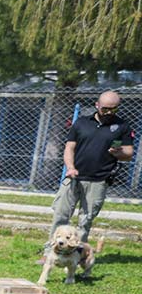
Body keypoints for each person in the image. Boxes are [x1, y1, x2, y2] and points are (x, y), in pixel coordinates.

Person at [47, 90, 135, 250]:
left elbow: (129, 153)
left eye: (113, 109)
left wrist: (119, 152)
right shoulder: (81, 123)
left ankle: (76, 254)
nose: (109, 112)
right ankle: (51, 252)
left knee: (85, 221)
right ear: (97, 105)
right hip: (74, 177)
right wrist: (71, 168)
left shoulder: (122, 126)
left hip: (99, 180)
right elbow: (69, 148)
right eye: (105, 108)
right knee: (60, 215)